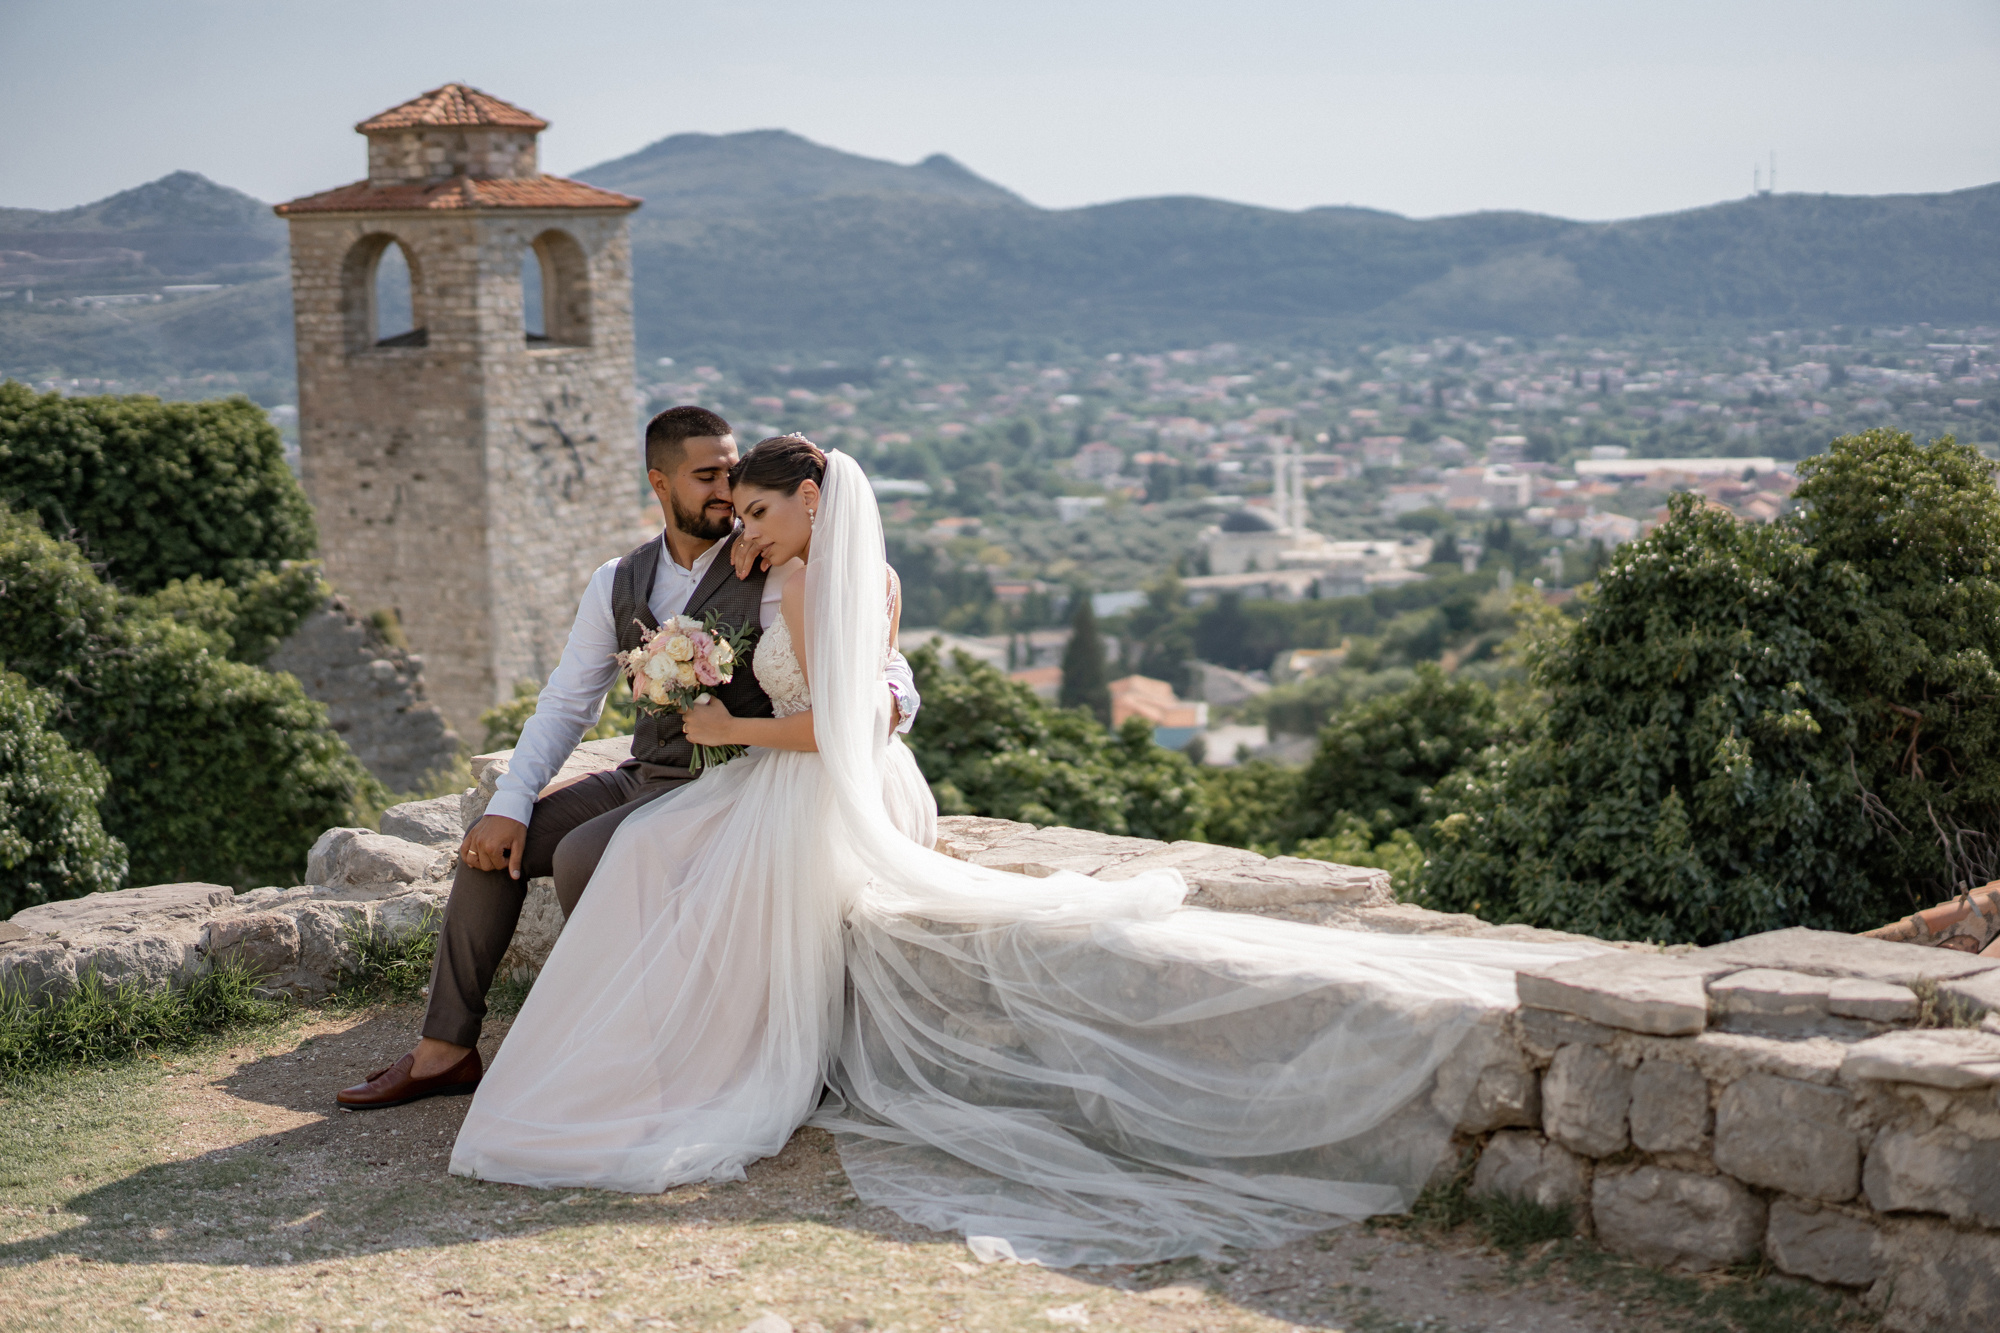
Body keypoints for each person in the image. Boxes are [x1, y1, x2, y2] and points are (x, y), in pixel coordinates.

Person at [449, 437, 1601, 1268]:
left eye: (756, 509)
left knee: (647, 856)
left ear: (808, 500)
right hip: (816, 777)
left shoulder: (803, 583)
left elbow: (851, 712)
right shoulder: (834, 572)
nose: (740, 529)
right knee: (642, 850)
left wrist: (724, 723)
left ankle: (672, 1066)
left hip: (808, 775)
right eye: (732, 510)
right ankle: (648, 1053)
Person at [335, 411, 921, 1110]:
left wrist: (892, 704)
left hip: (726, 777)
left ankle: (627, 1041)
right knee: (491, 852)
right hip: (642, 771)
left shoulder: (772, 563)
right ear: (659, 482)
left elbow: (866, 664)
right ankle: (445, 1050)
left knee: (586, 857)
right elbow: (565, 703)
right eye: (707, 478)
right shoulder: (617, 579)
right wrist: (508, 803)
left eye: (731, 477)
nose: (724, 494)